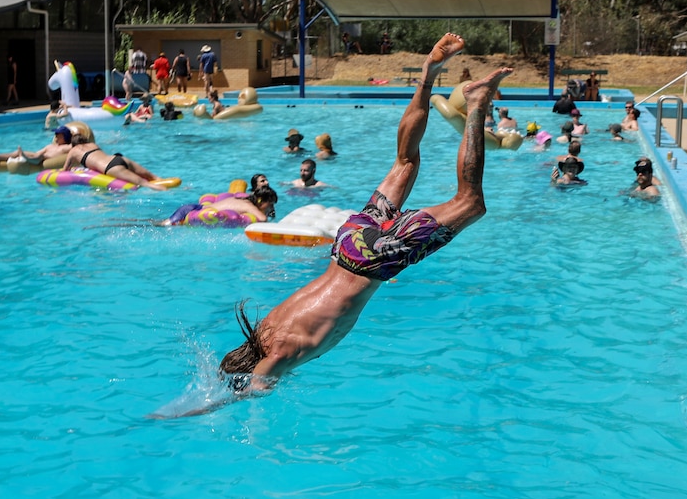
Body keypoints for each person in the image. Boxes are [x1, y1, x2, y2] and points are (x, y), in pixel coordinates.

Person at [203, 33, 512, 407]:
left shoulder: (278, 355)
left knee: (470, 202)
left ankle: (477, 102)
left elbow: (260, 379)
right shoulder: (266, 331)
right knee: (405, 162)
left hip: (373, 260)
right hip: (347, 242)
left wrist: (203, 408)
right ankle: (428, 73)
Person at [62, 133, 167, 191]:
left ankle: (169, 192)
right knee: (153, 177)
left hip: (111, 167)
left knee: (144, 183)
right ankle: (167, 183)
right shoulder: (93, 145)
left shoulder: (73, 151)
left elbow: (65, 169)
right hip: (118, 159)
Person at [159, 185, 278, 226]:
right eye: (270, 204)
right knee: (163, 226)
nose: (270, 207)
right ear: (261, 200)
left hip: (192, 208)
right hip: (193, 212)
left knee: (160, 224)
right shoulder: (248, 205)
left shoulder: (244, 199)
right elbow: (263, 219)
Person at [0, 127, 72, 164]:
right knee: (20, 152)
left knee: (41, 156)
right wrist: (32, 155)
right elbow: (37, 153)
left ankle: (30, 159)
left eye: (58, 134)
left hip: (45, 158)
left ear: (64, 136)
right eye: (55, 133)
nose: (55, 135)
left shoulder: (66, 147)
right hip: (38, 156)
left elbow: (79, 146)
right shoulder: (50, 146)